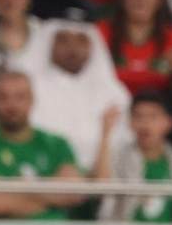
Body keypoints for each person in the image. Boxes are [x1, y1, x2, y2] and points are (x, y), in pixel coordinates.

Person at [0, 69, 88, 219]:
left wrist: (14, 191)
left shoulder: (56, 144)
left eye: (20, 97)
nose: (12, 105)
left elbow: (75, 193)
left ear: (32, 100)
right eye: (3, 97)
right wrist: (51, 193)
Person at [28, 17, 131, 173]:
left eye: (81, 41)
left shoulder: (114, 93)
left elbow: (126, 144)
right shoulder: (30, 88)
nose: (72, 48)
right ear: (49, 43)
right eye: (64, 40)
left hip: (106, 181)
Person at [99, 91, 172, 223]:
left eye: (153, 116)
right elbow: (101, 188)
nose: (145, 123)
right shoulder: (119, 158)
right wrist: (105, 134)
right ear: (130, 123)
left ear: (168, 122)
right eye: (138, 116)